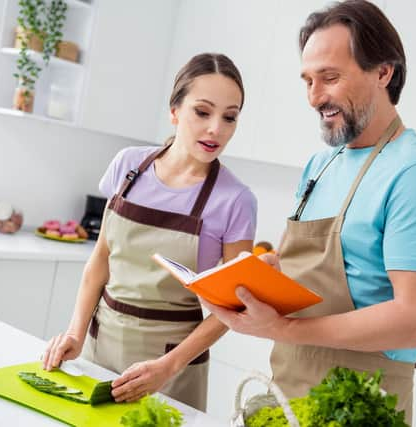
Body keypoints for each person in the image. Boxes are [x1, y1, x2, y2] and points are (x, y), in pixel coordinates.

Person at [201, 1, 416, 423]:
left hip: (362, 408)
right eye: (307, 80)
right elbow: (317, 278)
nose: (314, 97)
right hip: (284, 395)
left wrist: (284, 330)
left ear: (383, 72)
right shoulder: (320, 165)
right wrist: (267, 275)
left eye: (330, 77)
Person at [42, 53, 257, 411]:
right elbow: (100, 263)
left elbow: (232, 308)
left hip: (172, 365)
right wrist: (75, 334)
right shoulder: (128, 167)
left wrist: (168, 367)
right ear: (174, 112)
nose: (216, 129)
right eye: (202, 112)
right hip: (100, 345)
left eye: (229, 117)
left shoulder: (235, 200)